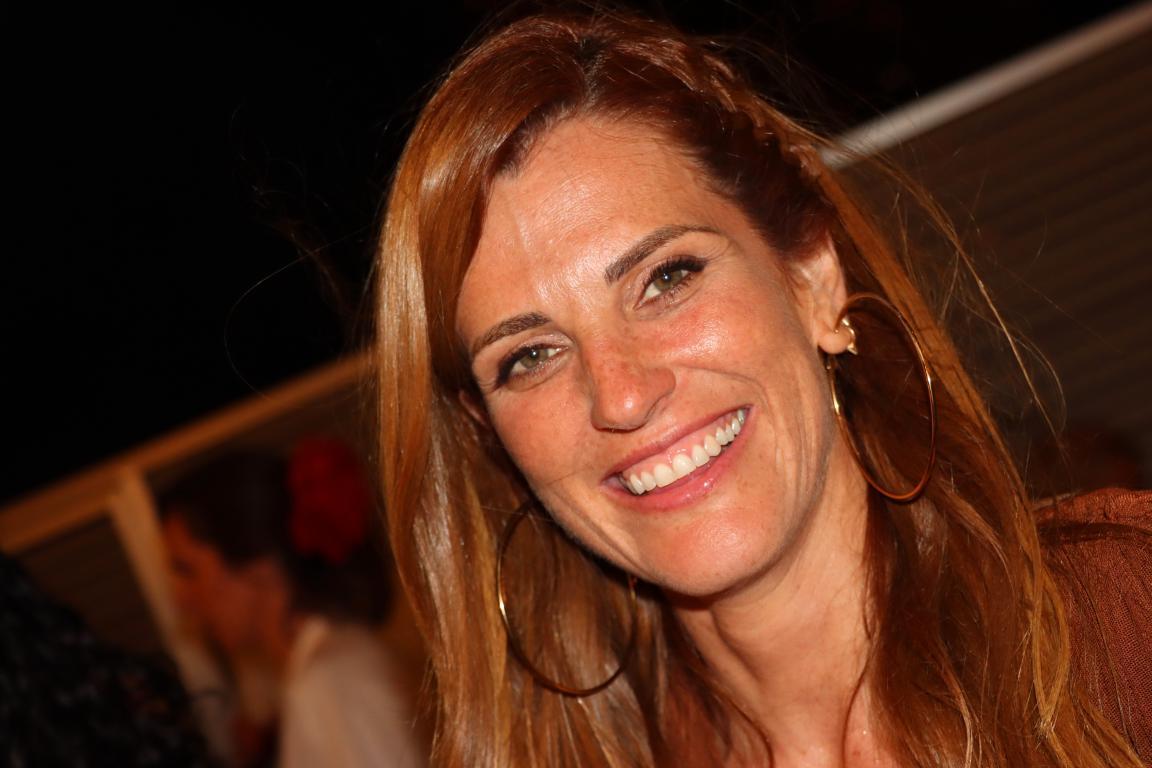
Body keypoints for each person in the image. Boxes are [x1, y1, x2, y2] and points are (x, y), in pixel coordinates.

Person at [371, 9, 1151, 767]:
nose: (622, 396)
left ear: (812, 276)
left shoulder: (1123, 617)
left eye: (666, 278)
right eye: (531, 356)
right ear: (490, 437)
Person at [160, 437, 426, 768]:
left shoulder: (326, 683)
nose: (181, 600)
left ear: (257, 565)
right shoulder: (330, 668)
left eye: (188, 570)